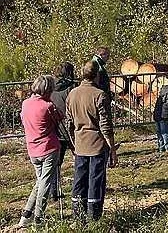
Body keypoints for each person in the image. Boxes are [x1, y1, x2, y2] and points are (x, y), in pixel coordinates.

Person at [66, 60, 117, 221]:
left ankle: (78, 215)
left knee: (79, 180)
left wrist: (73, 143)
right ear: (96, 76)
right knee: (96, 180)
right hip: (97, 145)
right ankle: (93, 217)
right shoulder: (99, 95)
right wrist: (112, 148)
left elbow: (69, 123)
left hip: (80, 144)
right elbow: (105, 125)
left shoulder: (72, 94)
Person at [18, 75, 62, 228]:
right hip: (48, 148)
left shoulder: (25, 103)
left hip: (32, 149)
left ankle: (26, 215)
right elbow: (59, 118)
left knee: (40, 181)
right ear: (48, 90)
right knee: (45, 183)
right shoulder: (47, 106)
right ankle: (39, 217)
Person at [49, 63, 77, 201]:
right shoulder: (71, 88)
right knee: (80, 159)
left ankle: (54, 191)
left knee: (56, 163)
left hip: (55, 129)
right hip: (70, 128)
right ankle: (79, 189)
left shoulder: (49, 87)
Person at [152, 78, 168, 152]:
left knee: (162, 133)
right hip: (162, 116)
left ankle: (164, 146)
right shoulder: (165, 97)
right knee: (163, 132)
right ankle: (165, 146)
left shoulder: (162, 97)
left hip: (161, 116)